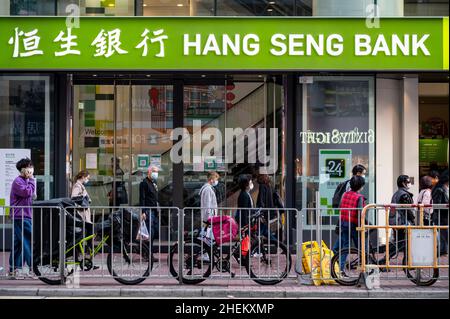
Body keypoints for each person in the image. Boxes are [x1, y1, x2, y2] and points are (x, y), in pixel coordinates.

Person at [9, 158, 36, 279]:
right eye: (28, 167)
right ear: (22, 169)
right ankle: (32, 268)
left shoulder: (25, 180)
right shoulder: (18, 181)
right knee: (28, 242)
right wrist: (31, 180)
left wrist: (30, 180)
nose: (30, 169)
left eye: (31, 166)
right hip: (21, 216)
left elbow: (33, 195)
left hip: (25, 215)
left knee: (19, 243)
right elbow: (27, 192)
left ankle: (14, 269)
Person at [335, 176, 367, 273]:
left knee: (345, 246)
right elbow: (360, 213)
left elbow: (341, 206)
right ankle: (364, 269)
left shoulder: (345, 194)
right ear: (361, 186)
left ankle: (340, 269)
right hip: (354, 225)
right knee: (361, 248)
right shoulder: (359, 197)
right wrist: (363, 226)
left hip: (344, 223)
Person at [139, 165, 160, 262]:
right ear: (149, 172)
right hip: (148, 210)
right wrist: (143, 211)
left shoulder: (153, 183)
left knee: (154, 232)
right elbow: (142, 198)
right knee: (149, 234)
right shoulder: (144, 183)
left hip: (154, 211)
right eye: (154, 171)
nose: (156, 173)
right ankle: (147, 254)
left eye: (157, 172)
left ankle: (148, 253)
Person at [390, 175, 415, 243]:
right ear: (403, 183)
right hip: (403, 222)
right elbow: (408, 210)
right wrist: (413, 220)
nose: (410, 183)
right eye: (408, 181)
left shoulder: (396, 194)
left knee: (399, 242)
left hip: (397, 221)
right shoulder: (404, 195)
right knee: (404, 243)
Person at [431, 169, 449, 256]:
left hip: (442, 217)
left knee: (444, 240)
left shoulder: (442, 187)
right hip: (442, 217)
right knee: (445, 237)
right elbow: (439, 204)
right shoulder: (440, 189)